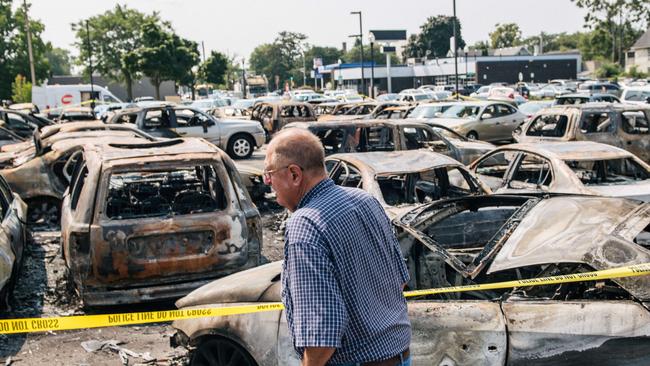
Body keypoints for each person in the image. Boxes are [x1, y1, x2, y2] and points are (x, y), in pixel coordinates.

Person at [264, 128, 411, 366]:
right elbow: (400, 280)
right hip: (400, 355)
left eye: (269, 173)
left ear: (294, 174)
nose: (268, 182)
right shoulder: (365, 201)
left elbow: (322, 334)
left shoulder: (304, 224)